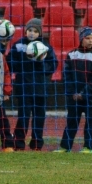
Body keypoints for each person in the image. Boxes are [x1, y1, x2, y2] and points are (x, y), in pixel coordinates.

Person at [7, 18, 58, 151]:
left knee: (39, 117)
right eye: (29, 30)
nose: (32, 33)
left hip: (40, 88)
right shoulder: (19, 45)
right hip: (23, 87)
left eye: (35, 31)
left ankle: (36, 143)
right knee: (23, 116)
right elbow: (10, 63)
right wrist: (24, 61)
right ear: (25, 31)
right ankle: (19, 143)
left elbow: (52, 66)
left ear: (39, 33)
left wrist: (40, 61)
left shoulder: (45, 47)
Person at [56, 27, 92, 152]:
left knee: (90, 122)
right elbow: (66, 76)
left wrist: (84, 93)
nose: (90, 41)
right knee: (71, 121)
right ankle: (65, 146)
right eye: (87, 38)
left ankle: (88, 147)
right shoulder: (71, 55)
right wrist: (72, 93)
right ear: (81, 39)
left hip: (90, 97)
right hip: (74, 97)